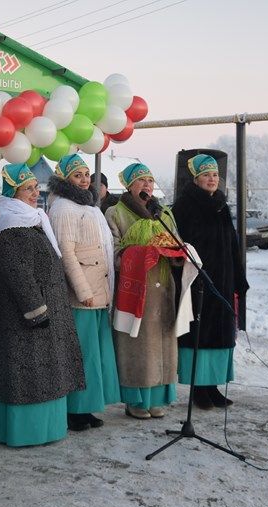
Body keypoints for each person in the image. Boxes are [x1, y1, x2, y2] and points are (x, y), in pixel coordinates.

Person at [0, 163, 85, 447]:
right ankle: (25, 432)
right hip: (24, 315)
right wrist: (36, 310)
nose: (35, 194)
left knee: (46, 372)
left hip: (46, 306)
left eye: (35, 188)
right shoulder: (8, 224)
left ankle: (47, 429)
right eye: (28, 189)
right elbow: (18, 273)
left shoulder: (32, 218)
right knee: (27, 374)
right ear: (12, 192)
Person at [48, 155, 121, 431]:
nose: (84, 179)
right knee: (81, 353)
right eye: (77, 175)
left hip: (97, 290)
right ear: (66, 179)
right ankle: (75, 409)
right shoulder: (64, 208)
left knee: (95, 353)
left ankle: (88, 406)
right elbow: (66, 252)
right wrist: (82, 290)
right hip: (83, 294)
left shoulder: (87, 205)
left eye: (86, 174)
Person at [171, 154, 249, 409]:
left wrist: (238, 278)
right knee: (201, 335)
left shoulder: (221, 205)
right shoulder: (184, 206)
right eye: (206, 175)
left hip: (222, 281)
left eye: (215, 175)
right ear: (196, 179)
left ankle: (213, 386)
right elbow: (182, 244)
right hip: (199, 281)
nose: (212, 179)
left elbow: (232, 244)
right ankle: (199, 389)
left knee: (220, 334)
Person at [105, 163, 180, 419]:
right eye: (140, 181)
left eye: (150, 180)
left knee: (163, 344)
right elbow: (113, 254)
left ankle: (157, 397)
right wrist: (143, 253)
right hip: (136, 291)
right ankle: (136, 400)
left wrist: (177, 252)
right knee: (137, 346)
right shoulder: (115, 213)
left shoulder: (164, 214)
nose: (147, 185)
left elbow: (176, 242)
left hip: (163, 288)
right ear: (129, 186)